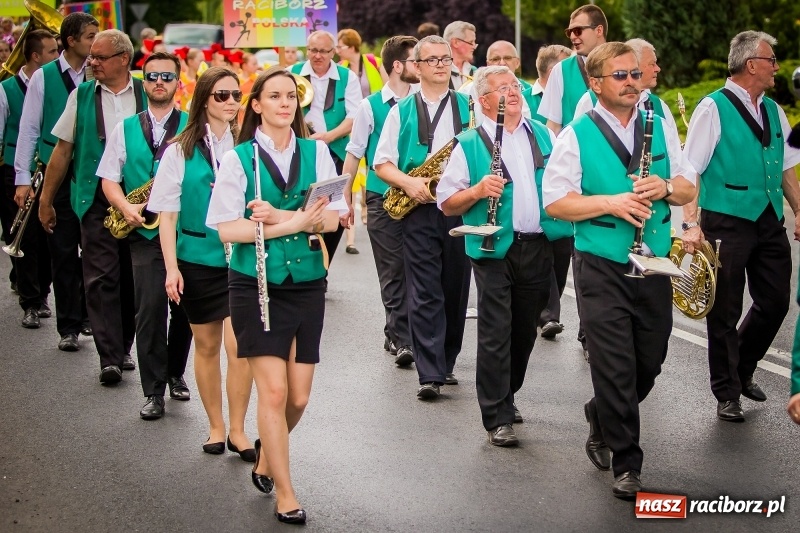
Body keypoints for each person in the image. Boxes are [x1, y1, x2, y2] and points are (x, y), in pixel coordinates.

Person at [543, 42, 696, 499]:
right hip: (601, 262)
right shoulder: (576, 134)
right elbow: (555, 201)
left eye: (635, 74)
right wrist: (610, 202)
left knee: (650, 359)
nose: (632, 82)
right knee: (613, 364)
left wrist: (666, 187)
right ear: (596, 83)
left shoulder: (659, 122)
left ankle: (601, 413)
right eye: (621, 76)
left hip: (652, 262)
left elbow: (688, 187)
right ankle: (628, 463)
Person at [208, 66, 343, 525]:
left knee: (299, 398)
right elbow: (228, 228)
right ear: (258, 105)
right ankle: (286, 493)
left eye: (292, 97)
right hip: (254, 284)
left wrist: (280, 215)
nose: (286, 103)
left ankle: (268, 457)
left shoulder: (318, 154)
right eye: (275, 96)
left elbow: (333, 218)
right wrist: (293, 223)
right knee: (274, 389)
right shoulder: (237, 159)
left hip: (306, 282)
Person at [440, 65, 571, 446]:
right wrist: (479, 190)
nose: (513, 92)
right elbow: (447, 203)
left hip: (539, 243)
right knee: (496, 330)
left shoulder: (544, 134)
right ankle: (496, 415)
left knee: (524, 331)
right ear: (484, 101)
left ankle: (507, 392)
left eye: (514, 85)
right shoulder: (468, 143)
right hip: (492, 247)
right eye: (502, 88)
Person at [681, 31, 800, 423]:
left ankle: (743, 367)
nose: (776, 68)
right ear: (752, 64)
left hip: (768, 218)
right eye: (772, 61)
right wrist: (690, 224)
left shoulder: (775, 111)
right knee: (725, 309)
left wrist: (799, 210)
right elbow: (690, 169)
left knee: (776, 302)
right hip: (726, 220)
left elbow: (784, 169)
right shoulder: (712, 108)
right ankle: (727, 392)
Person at [148, 66, 255, 458]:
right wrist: (172, 268)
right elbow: (167, 215)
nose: (230, 102)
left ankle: (240, 431)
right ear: (204, 99)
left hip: (240, 258)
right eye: (221, 95)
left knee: (239, 345)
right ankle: (215, 426)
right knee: (206, 346)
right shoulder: (180, 149)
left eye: (235, 95)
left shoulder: (247, 146)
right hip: (195, 258)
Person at [39, 29, 143, 379]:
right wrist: (46, 199)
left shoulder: (148, 91)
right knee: (99, 277)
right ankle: (109, 356)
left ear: (124, 59)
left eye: (100, 57)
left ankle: (124, 346)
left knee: (133, 278)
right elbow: (62, 150)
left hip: (142, 200)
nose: (92, 62)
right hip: (96, 198)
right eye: (92, 56)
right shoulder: (81, 95)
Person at [97, 52, 194, 419]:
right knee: (150, 308)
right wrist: (125, 207)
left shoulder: (191, 126)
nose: (159, 82)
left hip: (183, 231)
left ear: (177, 83)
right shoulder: (125, 127)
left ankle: (175, 372)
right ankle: (153, 390)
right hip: (143, 230)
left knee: (184, 307)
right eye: (152, 75)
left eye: (167, 76)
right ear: (144, 80)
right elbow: (109, 177)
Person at [374, 35, 472, 398]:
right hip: (417, 207)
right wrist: (409, 184)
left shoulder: (470, 105)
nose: (440, 65)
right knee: (424, 289)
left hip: (460, 207)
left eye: (445, 59)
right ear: (416, 67)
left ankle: (446, 362)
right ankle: (429, 372)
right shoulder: (400, 110)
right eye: (431, 60)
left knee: (455, 289)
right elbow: (382, 162)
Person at [18, 12, 97, 351]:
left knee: (94, 250)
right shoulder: (44, 78)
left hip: (93, 173)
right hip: (57, 172)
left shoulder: (100, 72)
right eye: (91, 36)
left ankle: (89, 315)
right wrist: (22, 178)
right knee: (63, 249)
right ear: (71, 41)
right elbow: (29, 129)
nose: (96, 42)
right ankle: (69, 325)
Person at [342, 35, 418, 363]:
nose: (423, 66)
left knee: (418, 267)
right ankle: (402, 338)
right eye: (417, 60)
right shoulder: (369, 106)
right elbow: (354, 154)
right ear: (398, 66)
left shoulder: (422, 102)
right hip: (381, 195)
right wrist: (343, 200)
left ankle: (402, 331)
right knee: (392, 268)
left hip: (421, 196)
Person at [0, 29, 59, 328]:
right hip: (16, 170)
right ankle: (30, 302)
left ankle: (43, 293)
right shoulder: (6, 89)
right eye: (51, 52)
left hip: (49, 166)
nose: (57, 56)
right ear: (35, 56)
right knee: (24, 237)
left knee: (48, 236)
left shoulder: (53, 84)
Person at [290, 30, 361, 264]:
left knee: (337, 208)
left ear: (333, 52)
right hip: (301, 149)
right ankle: (305, 264)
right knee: (299, 204)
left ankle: (324, 264)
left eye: (323, 51)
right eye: (312, 50)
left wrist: (328, 136)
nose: (317, 56)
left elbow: (354, 117)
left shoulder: (347, 77)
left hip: (336, 150)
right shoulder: (293, 73)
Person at [538, 4, 608, 134]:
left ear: (599, 30)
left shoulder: (624, 65)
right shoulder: (560, 70)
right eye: (569, 32)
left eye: (577, 30)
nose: (572, 37)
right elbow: (553, 127)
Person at [462, 40, 532, 127]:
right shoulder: (469, 90)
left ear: (517, 62)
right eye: (496, 59)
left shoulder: (531, 92)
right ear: (488, 63)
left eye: (507, 58)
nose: (502, 63)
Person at [527, 45, 572, 123]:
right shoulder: (523, 101)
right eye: (567, 68)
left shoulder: (571, 96)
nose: (572, 73)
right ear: (553, 73)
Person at [337, 29, 387, 98]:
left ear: (352, 48)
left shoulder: (376, 63)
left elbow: (389, 90)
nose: (337, 51)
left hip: (375, 108)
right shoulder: (340, 67)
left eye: (340, 47)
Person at [442, 21, 477, 90]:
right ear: (455, 43)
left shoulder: (475, 72)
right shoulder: (438, 71)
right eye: (471, 42)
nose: (474, 46)